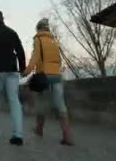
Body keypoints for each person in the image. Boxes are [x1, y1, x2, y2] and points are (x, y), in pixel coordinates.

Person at [23, 18, 74, 146]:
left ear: (38, 28)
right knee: (60, 105)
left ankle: (39, 129)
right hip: (57, 75)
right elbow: (59, 60)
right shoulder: (54, 41)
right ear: (47, 28)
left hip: (44, 76)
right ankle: (67, 135)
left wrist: (27, 71)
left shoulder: (38, 39)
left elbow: (35, 57)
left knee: (41, 103)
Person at [0, 9, 26, 146]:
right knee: (14, 101)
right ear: (2, 18)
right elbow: (20, 50)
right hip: (12, 70)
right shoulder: (11, 32)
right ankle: (17, 135)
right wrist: (23, 67)